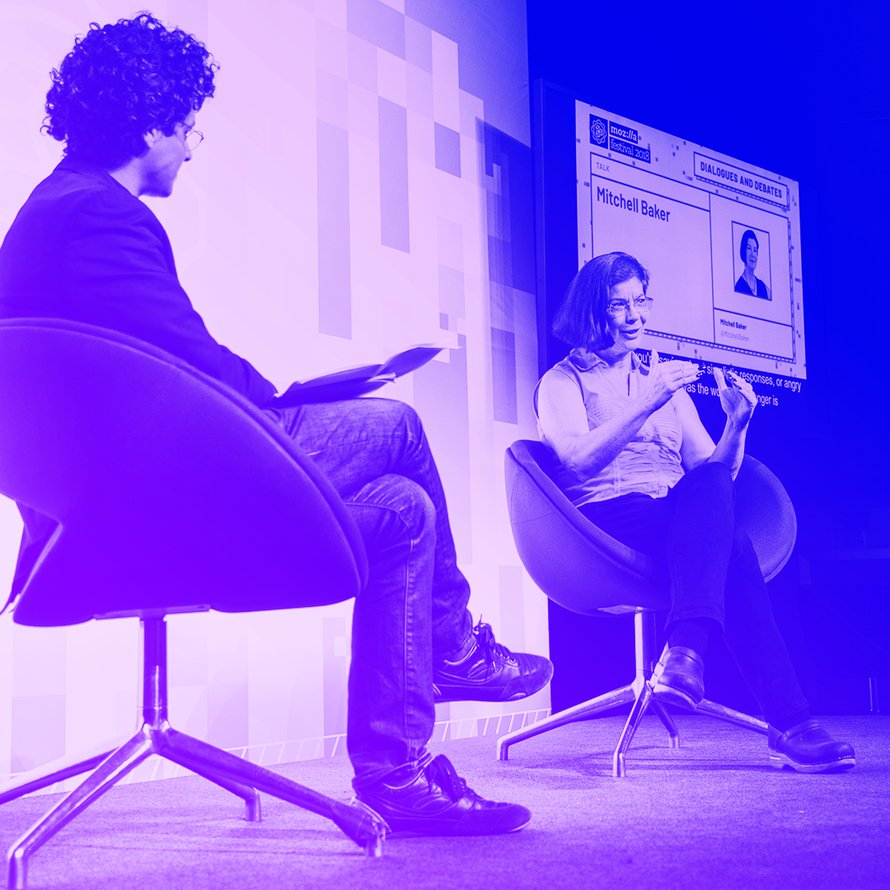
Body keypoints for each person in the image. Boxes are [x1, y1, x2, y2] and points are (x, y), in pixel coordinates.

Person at [0, 14, 552, 834]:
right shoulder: (97, 215)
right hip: (146, 511)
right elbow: (189, 361)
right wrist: (286, 400)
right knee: (395, 422)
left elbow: (158, 368)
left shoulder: (53, 211)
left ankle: (397, 774)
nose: (193, 146)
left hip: (118, 506)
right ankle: (453, 644)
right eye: (188, 127)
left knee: (404, 511)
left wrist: (291, 397)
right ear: (150, 123)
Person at [535, 251, 854, 773]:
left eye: (642, 301)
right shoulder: (562, 382)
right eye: (620, 306)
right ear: (593, 310)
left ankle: (687, 653)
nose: (636, 316)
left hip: (676, 517)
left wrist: (737, 424)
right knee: (734, 548)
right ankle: (784, 717)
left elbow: (715, 473)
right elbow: (575, 460)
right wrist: (647, 402)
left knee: (718, 513)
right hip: (605, 521)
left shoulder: (660, 378)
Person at [734, 229, 770, 299]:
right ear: (743, 251)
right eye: (749, 248)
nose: (752, 254)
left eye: (755, 250)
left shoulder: (764, 288)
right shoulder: (738, 287)